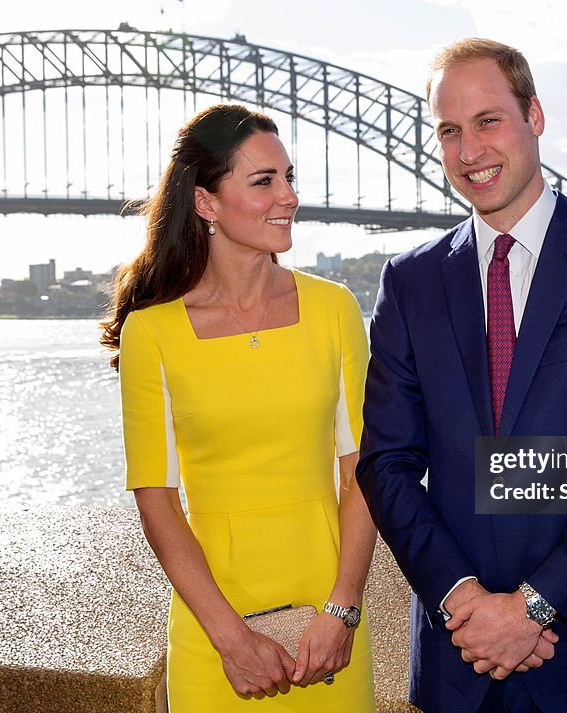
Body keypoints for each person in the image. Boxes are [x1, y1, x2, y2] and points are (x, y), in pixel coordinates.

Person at [356, 39, 567, 713]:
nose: (470, 150)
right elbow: (387, 463)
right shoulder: (410, 281)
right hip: (461, 662)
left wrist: (534, 607)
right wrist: (464, 600)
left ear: (534, 116)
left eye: (489, 121)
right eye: (449, 131)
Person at [100, 103, 377, 711]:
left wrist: (343, 609)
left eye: (289, 177)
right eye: (263, 181)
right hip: (215, 637)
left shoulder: (335, 310)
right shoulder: (153, 334)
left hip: (329, 627)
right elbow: (157, 500)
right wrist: (233, 642)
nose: (289, 196)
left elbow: (364, 473)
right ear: (206, 204)